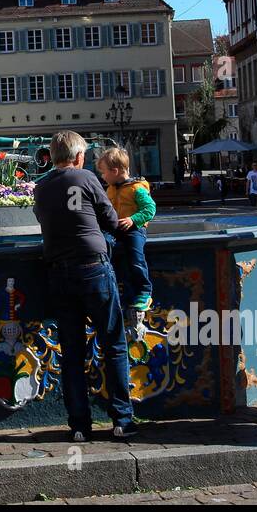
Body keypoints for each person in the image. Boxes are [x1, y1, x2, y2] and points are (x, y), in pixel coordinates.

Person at [33, 131, 137, 442]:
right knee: (113, 345)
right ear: (79, 158)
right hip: (93, 267)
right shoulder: (87, 178)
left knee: (72, 352)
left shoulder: (41, 186)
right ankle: (122, 419)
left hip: (59, 272)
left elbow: (43, 218)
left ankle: (79, 424)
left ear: (51, 158)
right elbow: (109, 218)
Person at [95, 146, 156, 336]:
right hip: (116, 228)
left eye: (104, 172)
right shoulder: (110, 188)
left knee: (136, 257)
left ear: (114, 171)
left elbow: (150, 209)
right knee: (103, 247)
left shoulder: (137, 189)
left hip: (134, 230)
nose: (102, 176)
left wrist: (133, 219)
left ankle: (144, 291)